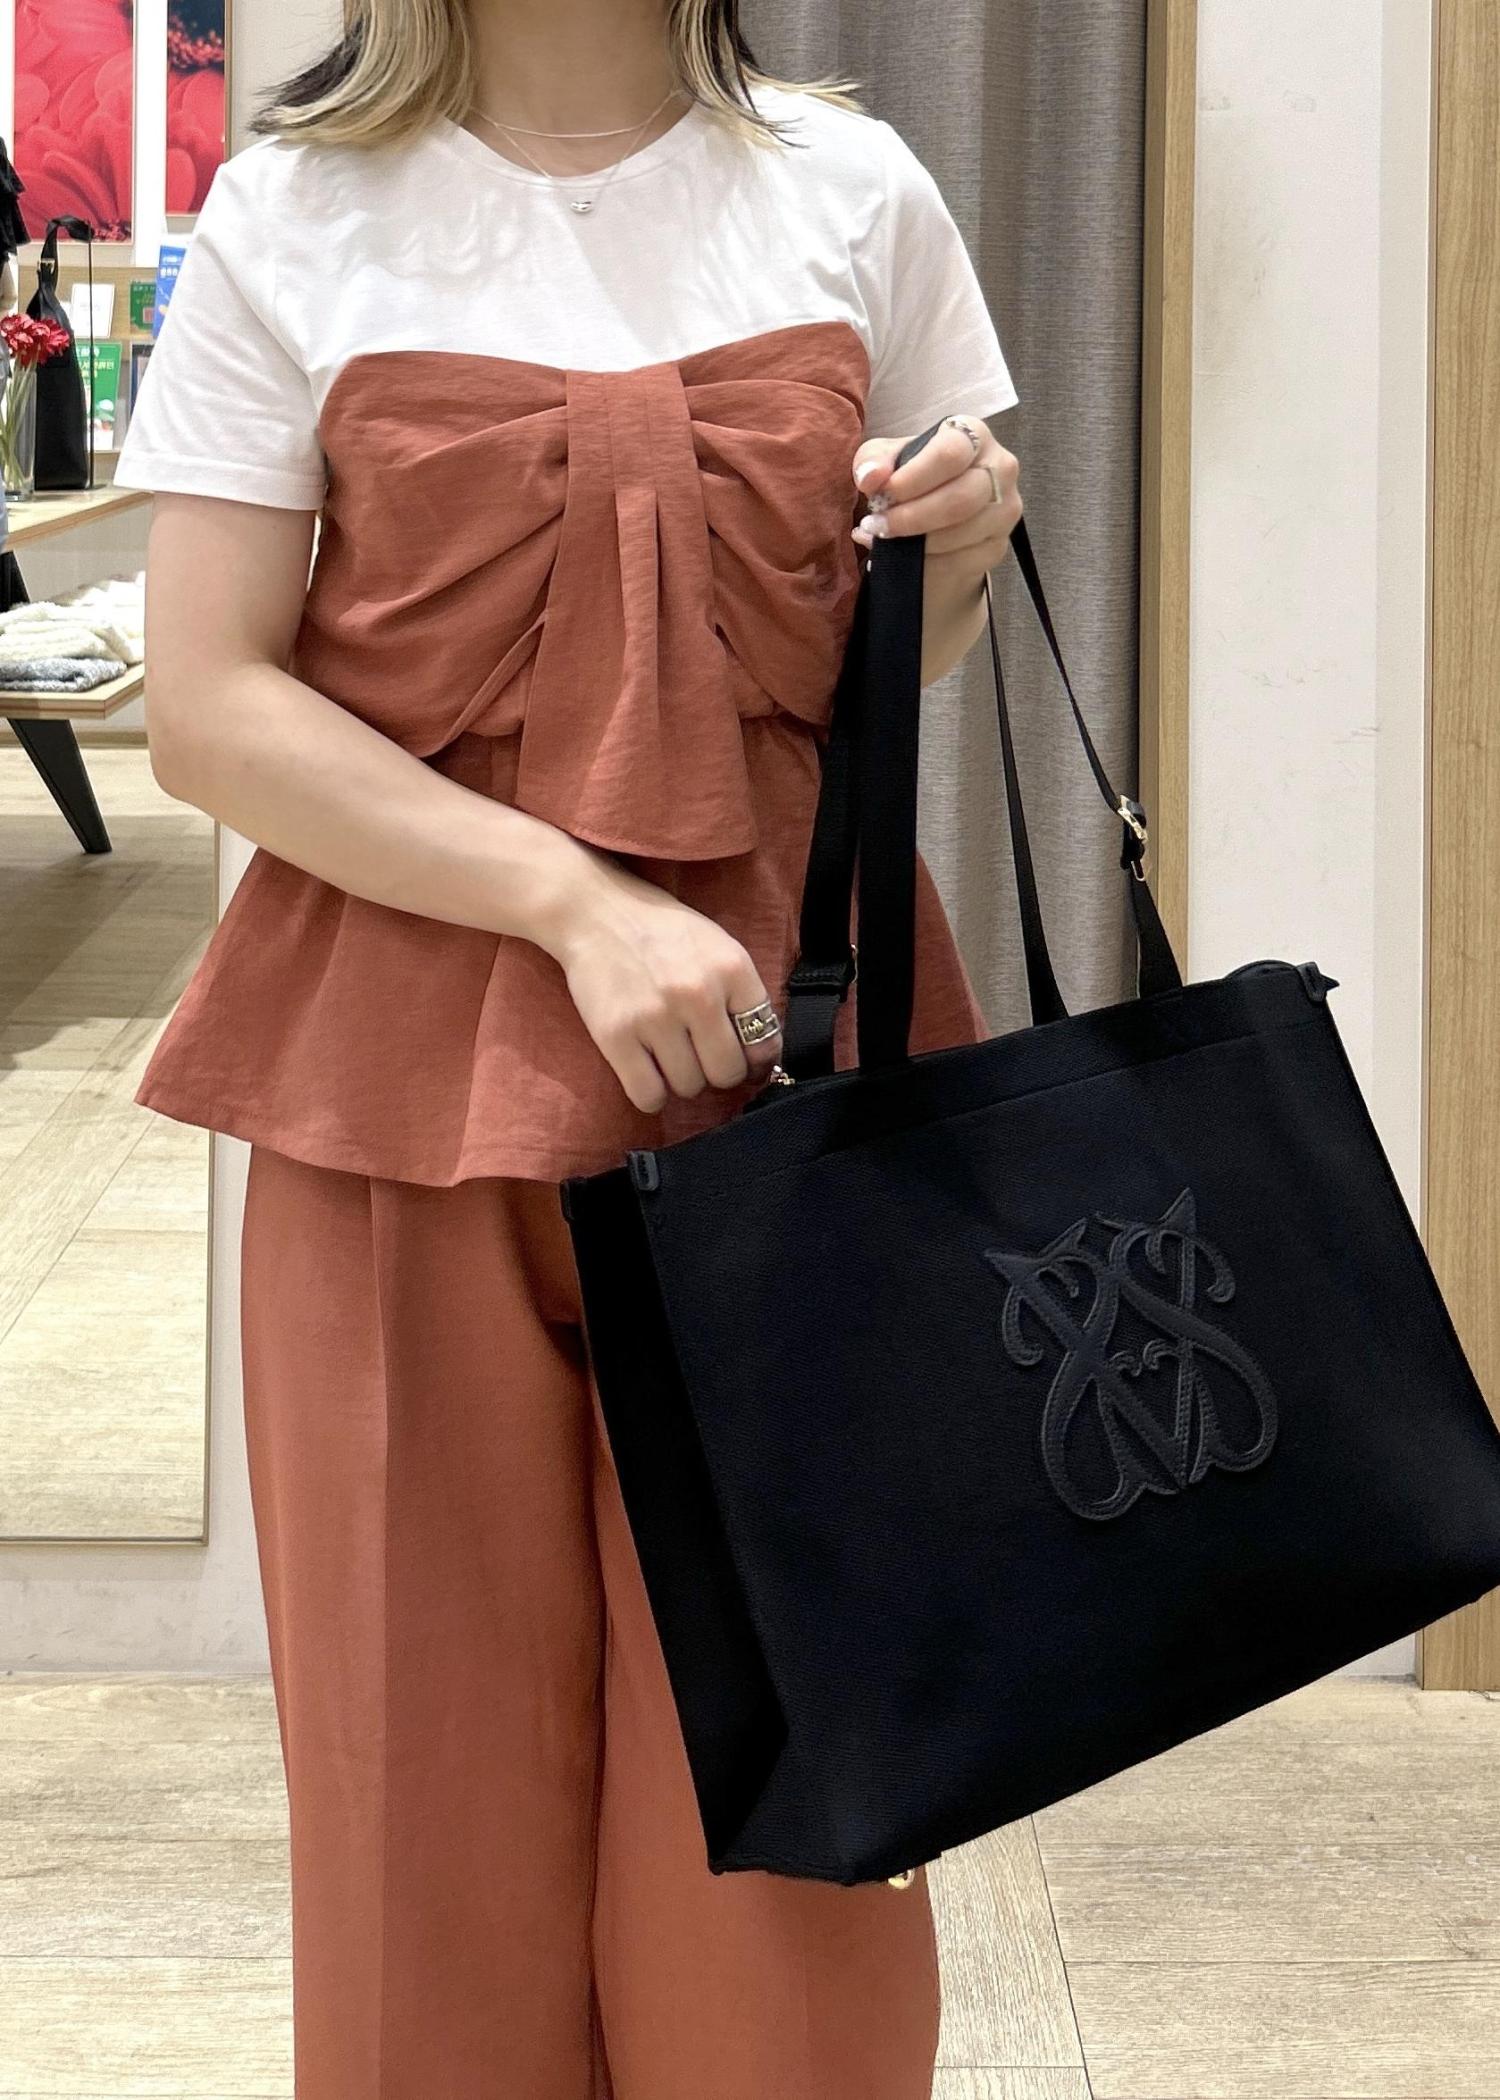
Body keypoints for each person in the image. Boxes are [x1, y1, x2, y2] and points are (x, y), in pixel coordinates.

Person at [112, 0, 1024, 2091]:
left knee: (800, 1798)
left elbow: (893, 660)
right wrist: (575, 903)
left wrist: (955, 556)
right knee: (418, 1792)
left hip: (792, 1076)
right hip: (396, 1076)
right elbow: (208, 706)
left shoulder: (851, 188)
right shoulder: (296, 209)